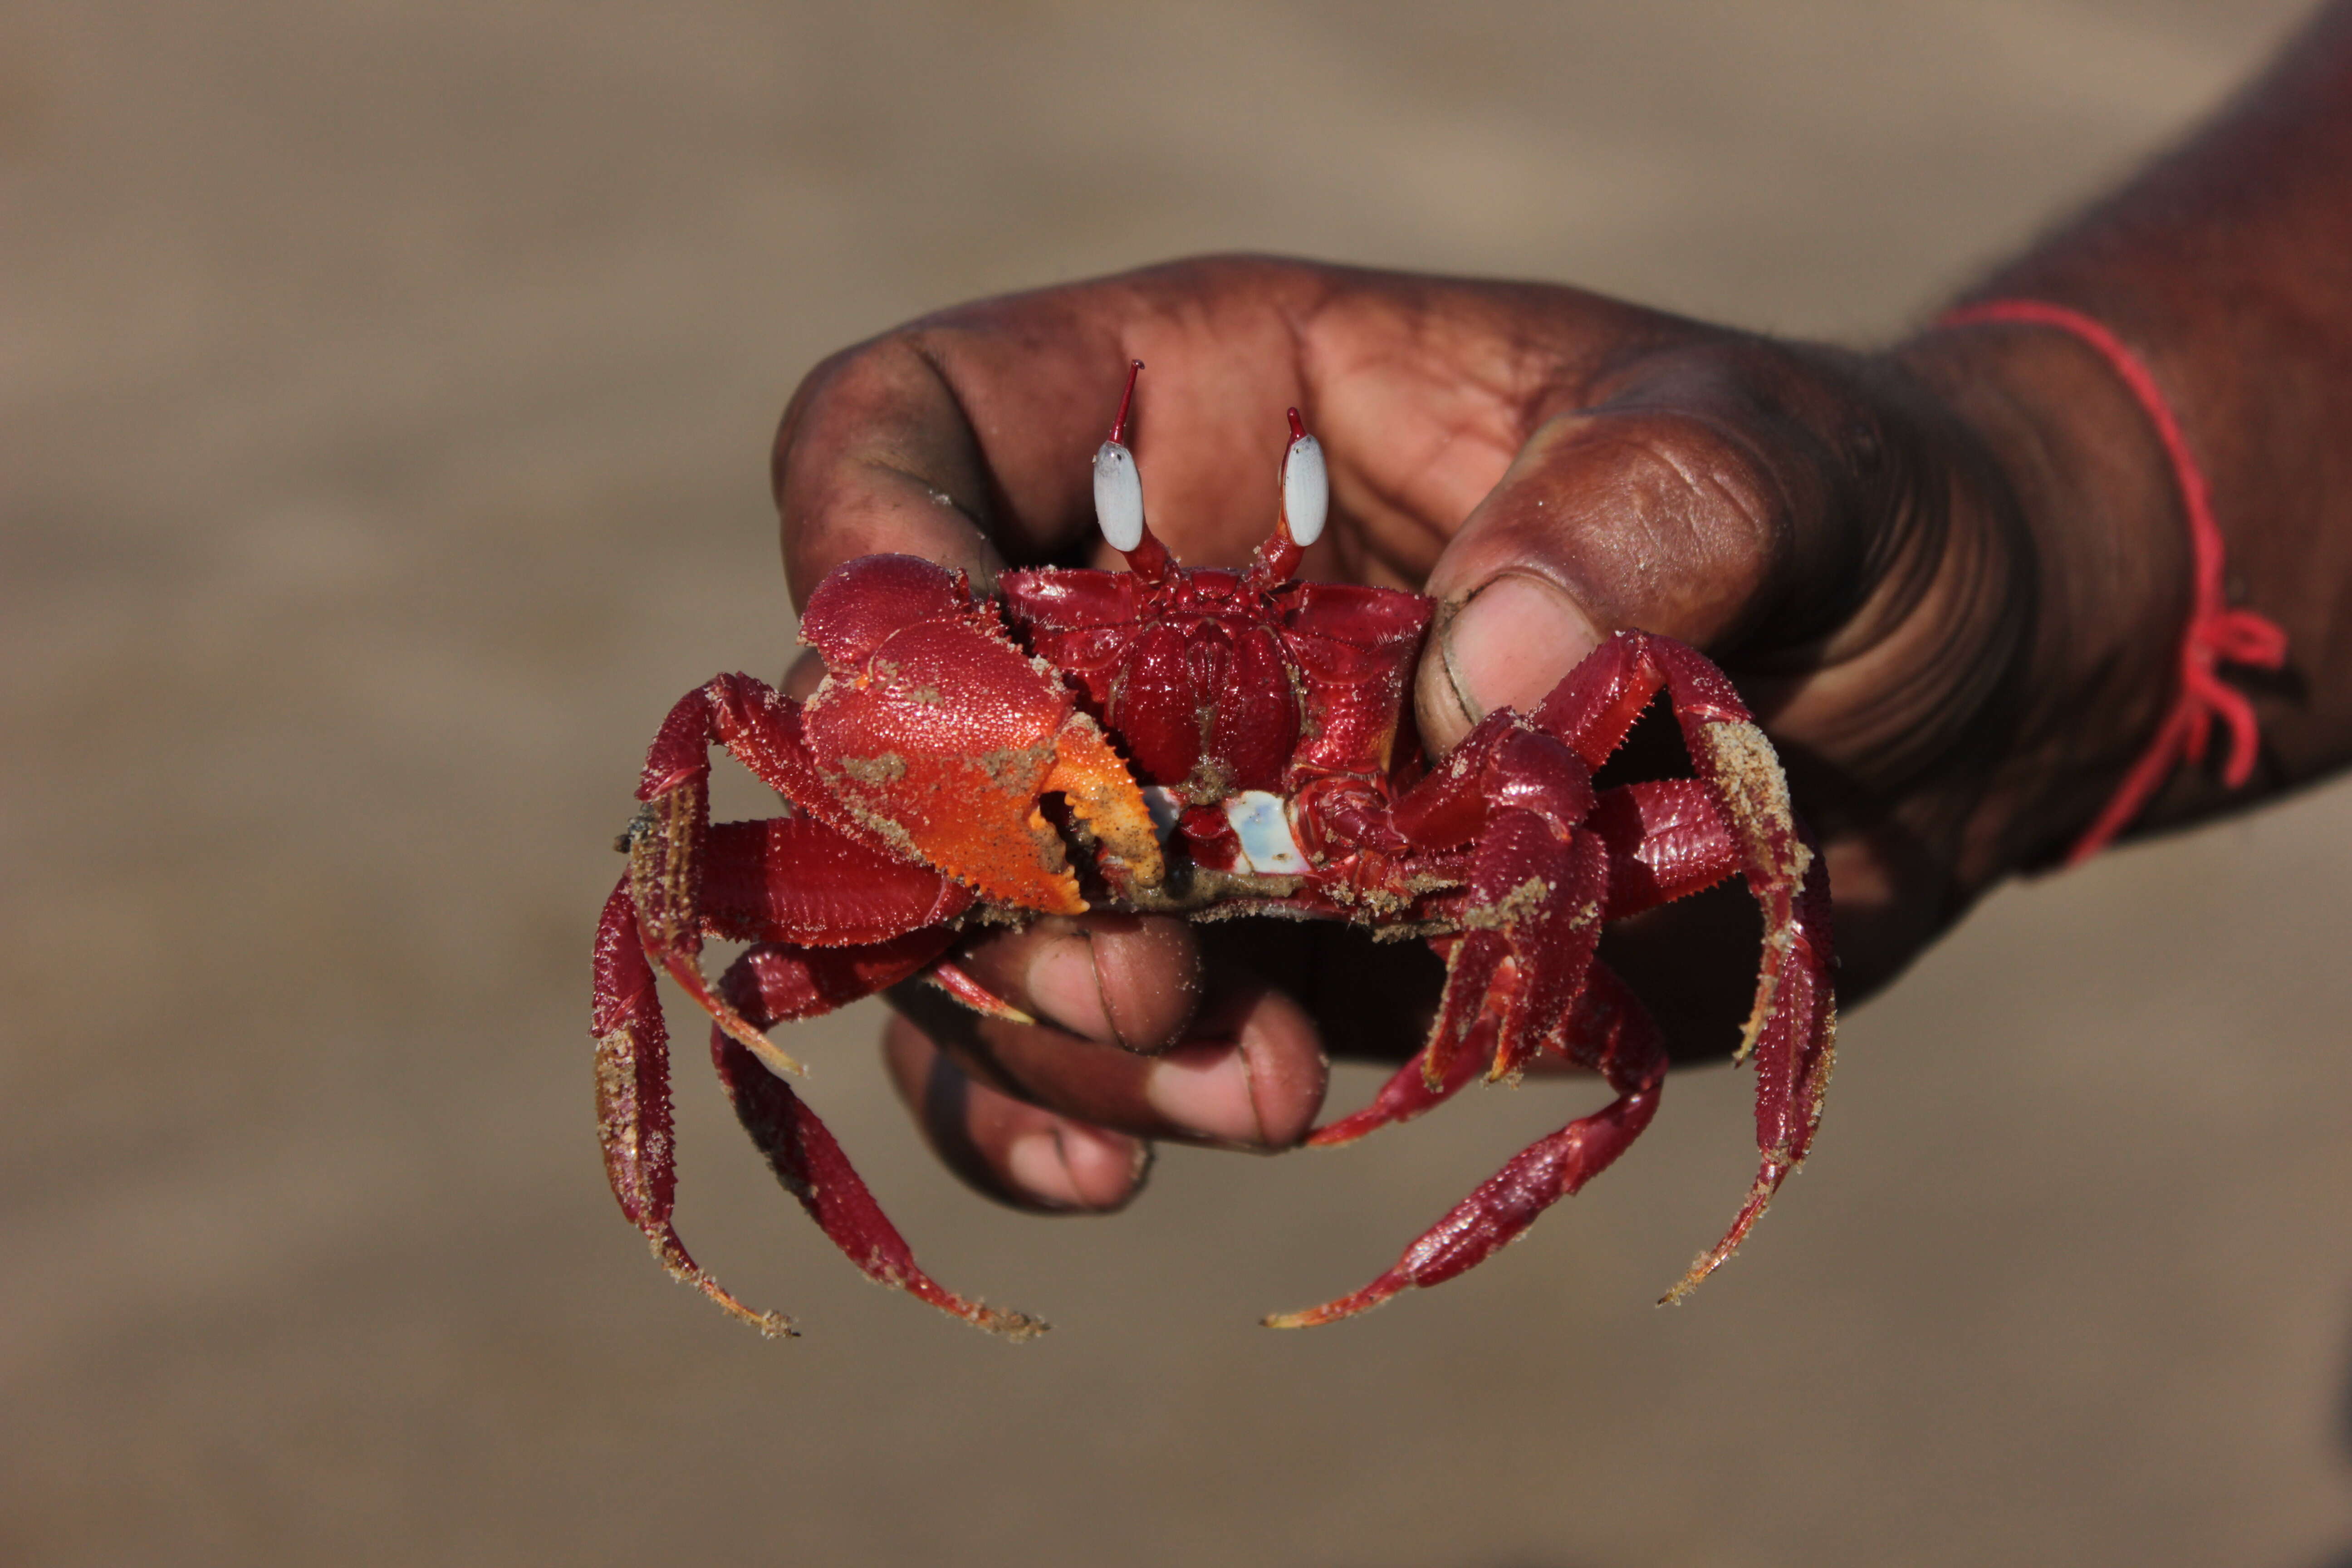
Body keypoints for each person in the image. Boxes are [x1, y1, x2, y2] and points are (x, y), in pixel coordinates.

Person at [765, 3, 2352, 1218]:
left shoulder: (1454, 685)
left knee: (1708, 833)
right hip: (1080, 848)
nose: (1209, 654)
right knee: (744, 873)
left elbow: (1589, 767)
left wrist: (2055, 591)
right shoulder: (1030, 654)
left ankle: (1720, 1169)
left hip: (1403, 834)